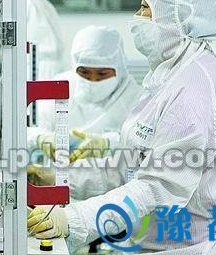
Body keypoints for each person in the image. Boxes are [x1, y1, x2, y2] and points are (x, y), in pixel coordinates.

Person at [27, 0, 216, 255]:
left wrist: (75, 220)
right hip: (156, 248)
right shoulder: (169, 75)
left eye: (145, 8)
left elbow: (156, 187)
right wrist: (57, 179)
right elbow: (132, 169)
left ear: (175, 17)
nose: (137, 17)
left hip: (191, 254)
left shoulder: (192, 89)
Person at [27, 26, 142, 196]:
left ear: (119, 67)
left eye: (102, 73)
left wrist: (108, 143)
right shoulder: (59, 86)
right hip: (53, 189)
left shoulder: (136, 98)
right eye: (84, 72)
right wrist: (41, 138)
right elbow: (28, 130)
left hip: (113, 196)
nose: (93, 80)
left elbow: (142, 149)